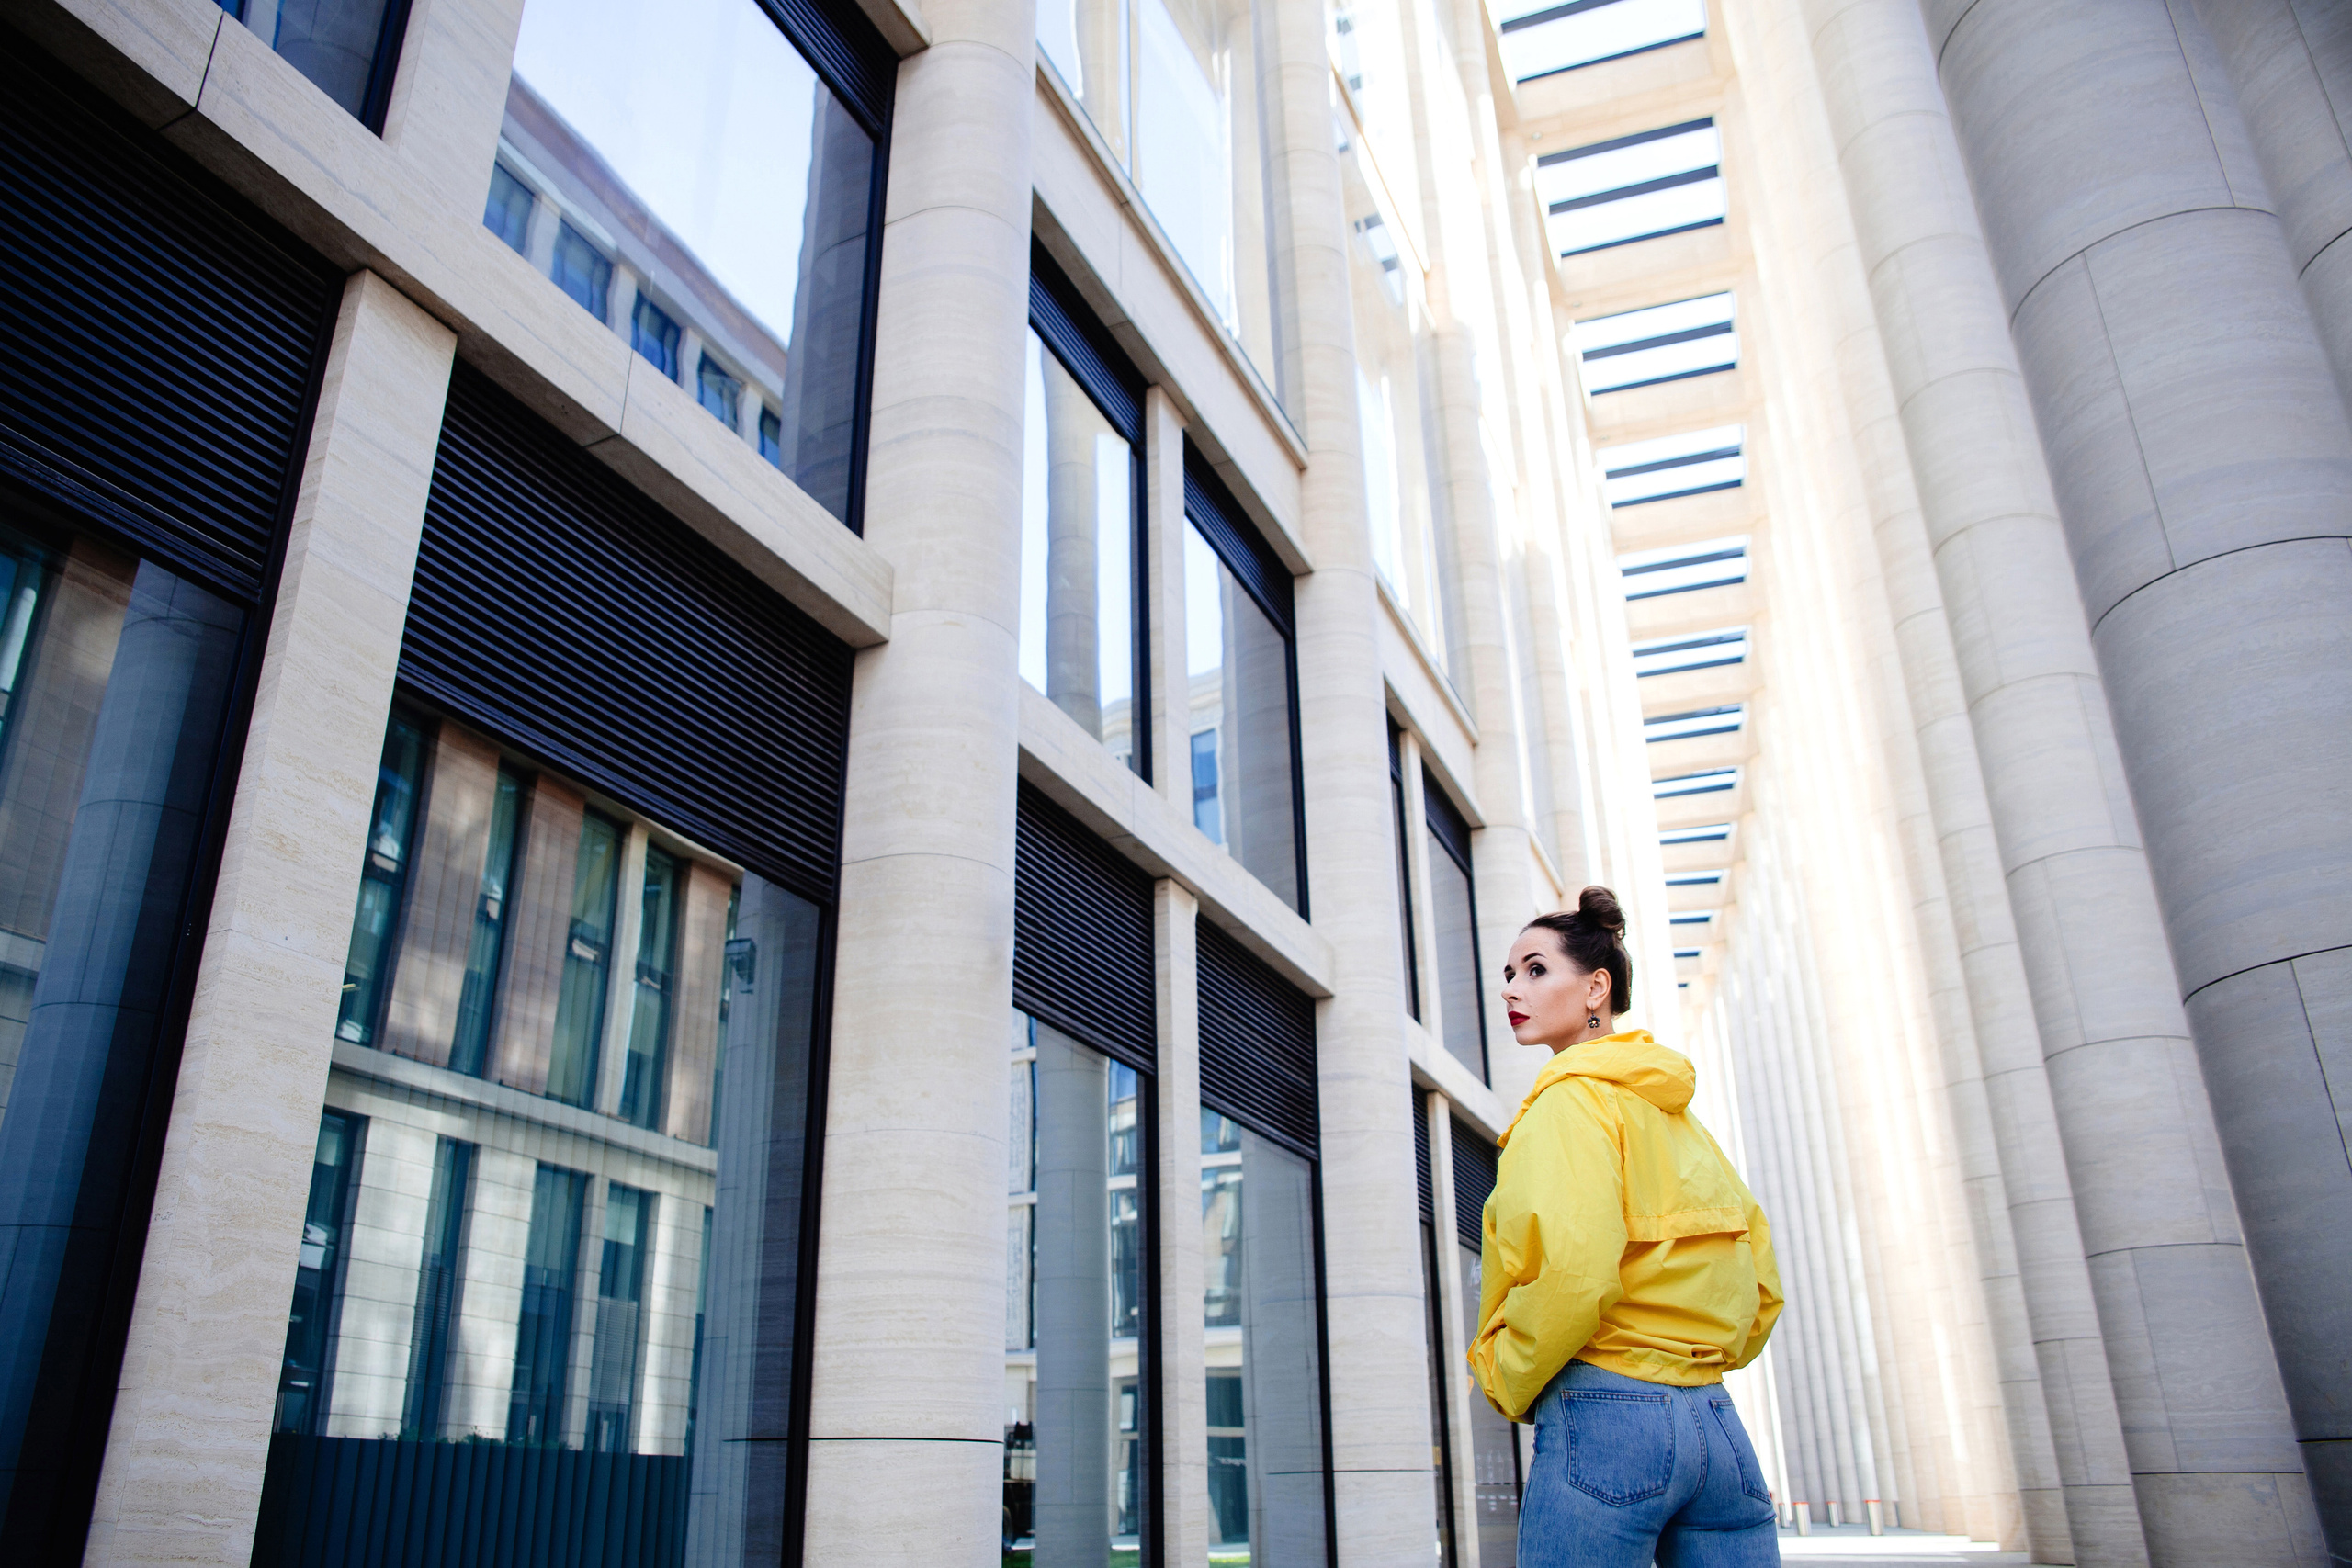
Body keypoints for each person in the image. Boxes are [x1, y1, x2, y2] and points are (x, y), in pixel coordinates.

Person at [1467, 886, 1783, 1568]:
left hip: (1608, 1414)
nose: (1511, 988)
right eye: (1509, 973)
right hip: (1716, 1424)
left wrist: (1504, 1376)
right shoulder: (1674, 1113)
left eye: (1535, 968)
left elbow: (1573, 1271)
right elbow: (1758, 1271)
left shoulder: (1565, 1104)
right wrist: (1696, 1354)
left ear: (1596, 988)